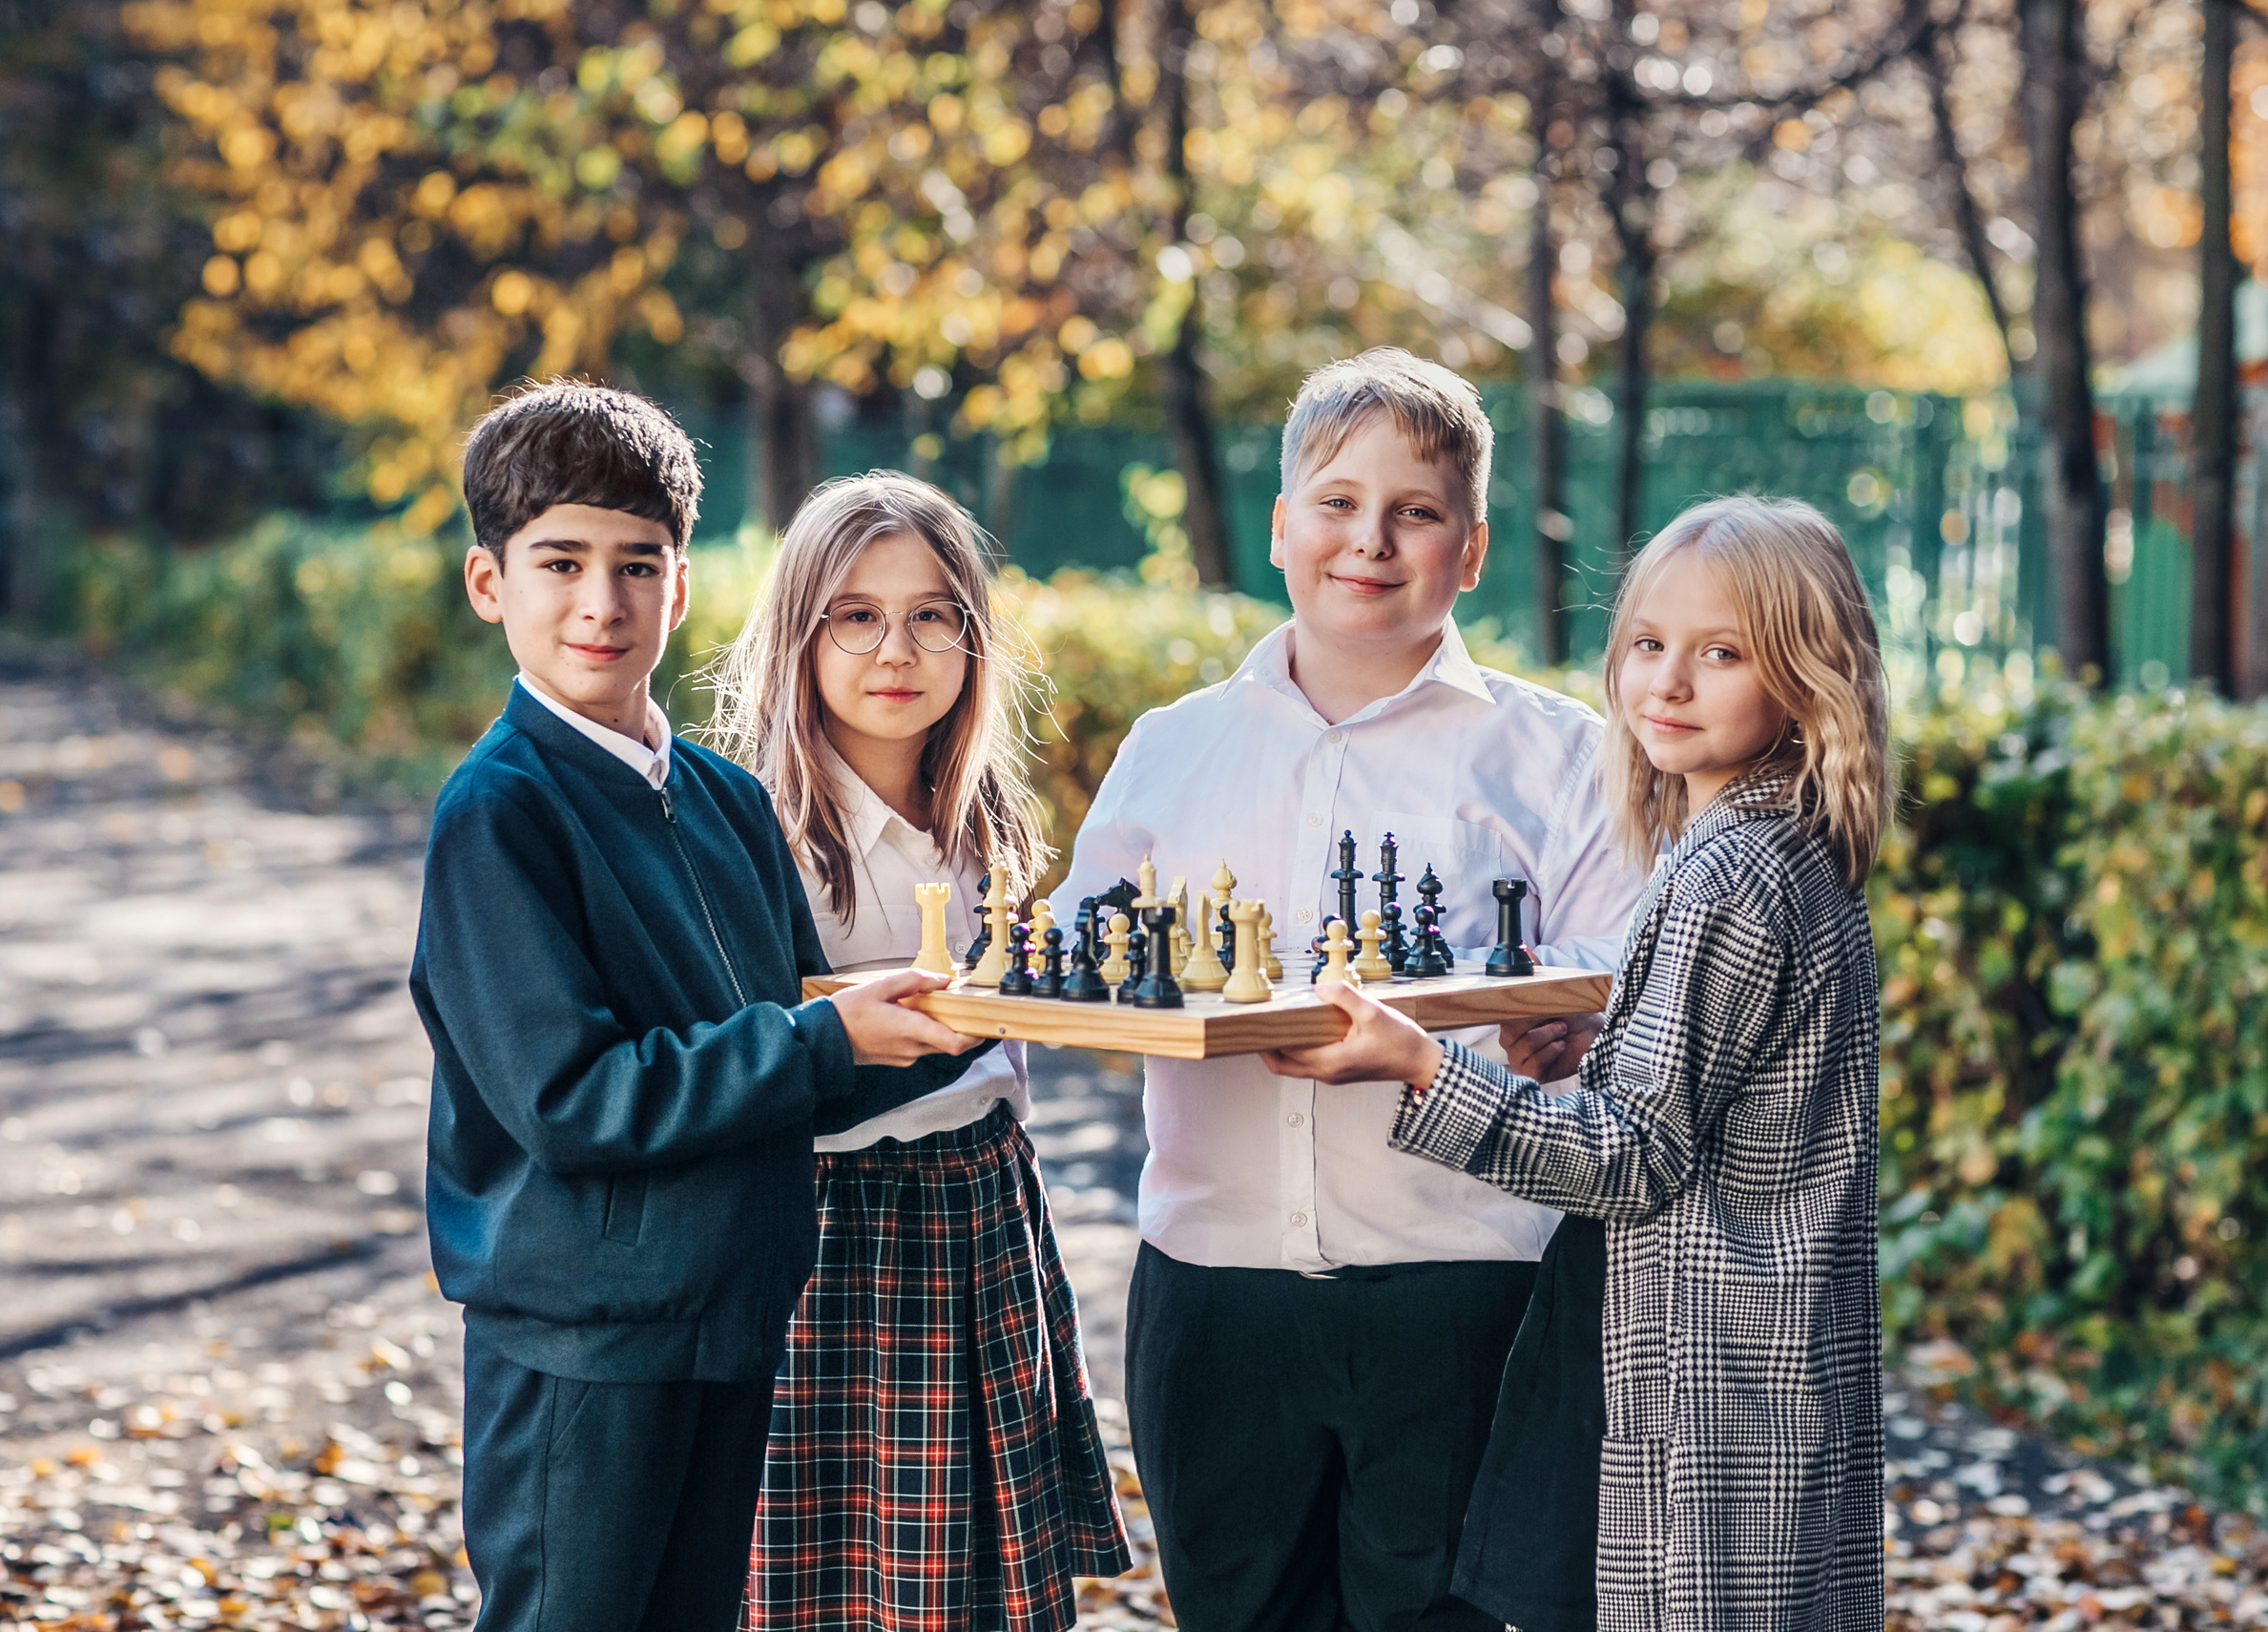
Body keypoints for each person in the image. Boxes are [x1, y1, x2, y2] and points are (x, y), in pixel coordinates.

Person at [1048, 348, 1642, 1632]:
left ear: (1470, 551)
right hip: (1212, 1292)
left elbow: (1627, 1019)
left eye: (1415, 511)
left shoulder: (1564, 760)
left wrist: (1575, 1025)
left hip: (1467, 1291)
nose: (1369, 540)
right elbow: (1076, 958)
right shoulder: (1170, 749)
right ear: (1280, 527)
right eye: (1336, 502)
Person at [1262, 494, 1891, 1632]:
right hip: (1773, 1367)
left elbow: (1631, 1162)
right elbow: (1729, 1095)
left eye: (1722, 653)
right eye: (1647, 644)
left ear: (1809, 676)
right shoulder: (1786, 848)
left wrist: (1420, 1067)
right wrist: (1615, 1045)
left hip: (1707, 1384)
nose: (1668, 683)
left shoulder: (1726, 877)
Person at [411, 385, 985, 1632]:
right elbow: (574, 1100)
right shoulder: (499, 813)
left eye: (637, 565)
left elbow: (800, 1060)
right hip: (586, 1345)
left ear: (679, 589)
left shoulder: (727, 801)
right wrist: (823, 1035)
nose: (601, 603)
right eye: (560, 562)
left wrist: (993, 1011)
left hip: (732, 1319)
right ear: (489, 583)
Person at [703, 472, 1133, 1632]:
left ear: (972, 637)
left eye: (932, 614)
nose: (896, 649)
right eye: (854, 615)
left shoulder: (987, 818)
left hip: (981, 1207)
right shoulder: (747, 826)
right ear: (798, 635)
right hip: (826, 1229)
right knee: (819, 1586)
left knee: (968, 1589)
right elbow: (742, 1066)